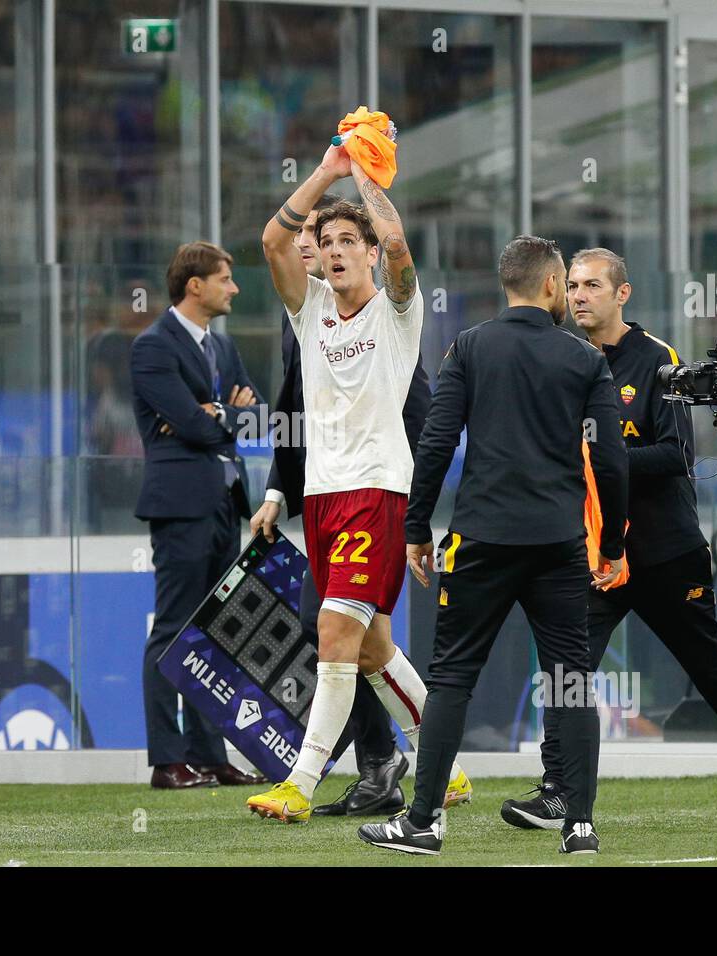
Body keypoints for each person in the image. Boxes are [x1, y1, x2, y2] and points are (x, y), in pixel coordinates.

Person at [360, 235, 628, 856]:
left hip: (480, 538)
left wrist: (417, 528)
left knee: (452, 677)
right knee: (571, 679)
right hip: (559, 542)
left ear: (508, 284)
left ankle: (423, 821)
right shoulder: (585, 359)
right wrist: (610, 541)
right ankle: (581, 825)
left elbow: (435, 442)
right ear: (552, 286)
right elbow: (610, 460)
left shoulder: (471, 347)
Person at [503, 248, 717, 831]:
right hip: (596, 553)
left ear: (622, 294)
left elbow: (678, 454)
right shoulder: (565, 359)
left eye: (592, 286)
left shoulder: (658, 359)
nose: (579, 295)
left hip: (664, 549)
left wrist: (600, 460)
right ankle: (558, 788)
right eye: (573, 285)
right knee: (567, 668)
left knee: (710, 666)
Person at [245, 141, 471, 823]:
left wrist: (369, 181)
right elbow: (272, 239)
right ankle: (447, 766)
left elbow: (399, 243)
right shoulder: (308, 309)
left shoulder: (398, 313)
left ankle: (301, 783)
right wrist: (329, 171)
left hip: (376, 490)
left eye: (349, 241)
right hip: (321, 496)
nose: (336, 250)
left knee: (335, 631)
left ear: (369, 253)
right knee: (372, 648)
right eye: (329, 240)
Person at [130, 240, 268, 790]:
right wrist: (214, 416)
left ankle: (209, 756)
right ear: (195, 285)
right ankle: (168, 761)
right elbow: (195, 426)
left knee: (212, 637)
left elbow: (253, 412)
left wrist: (222, 415)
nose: (234, 288)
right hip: (180, 507)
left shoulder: (222, 347)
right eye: (225, 278)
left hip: (223, 504)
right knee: (172, 630)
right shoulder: (153, 347)